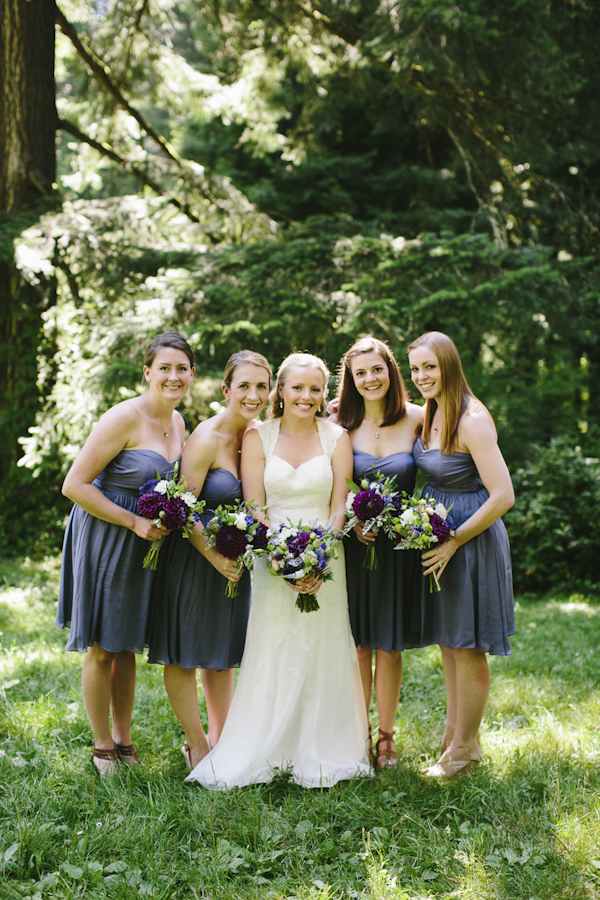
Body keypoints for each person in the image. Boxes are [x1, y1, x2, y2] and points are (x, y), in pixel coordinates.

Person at [186, 352, 371, 789]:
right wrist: (281, 558)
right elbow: (255, 508)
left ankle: (324, 745)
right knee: (275, 647)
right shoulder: (258, 437)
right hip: (272, 559)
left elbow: (340, 507)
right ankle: (264, 746)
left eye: (314, 389)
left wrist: (318, 557)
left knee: (321, 647)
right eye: (297, 388)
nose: (306, 396)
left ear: (323, 394)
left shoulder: (336, 438)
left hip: (327, 559)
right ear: (281, 391)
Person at [56, 332, 196, 774]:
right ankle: (101, 747)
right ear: (148, 372)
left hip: (146, 543)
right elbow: (74, 485)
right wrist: (134, 521)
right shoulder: (124, 417)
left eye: (182, 368)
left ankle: (124, 740)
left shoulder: (179, 423)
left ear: (192, 374)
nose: (173, 376)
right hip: (108, 535)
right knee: (102, 646)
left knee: (127, 642)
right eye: (165, 368)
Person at [146, 351, 272, 770]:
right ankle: (196, 743)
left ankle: (224, 741)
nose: (253, 395)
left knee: (221, 654)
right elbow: (180, 506)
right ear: (226, 390)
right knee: (184, 653)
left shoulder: (257, 436)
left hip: (233, 562)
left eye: (261, 386)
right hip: (195, 559)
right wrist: (214, 556)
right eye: (244, 386)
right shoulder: (207, 437)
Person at [408, 331, 515, 778]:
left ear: (449, 365)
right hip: (441, 539)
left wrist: (455, 540)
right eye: (414, 369)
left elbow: (504, 494)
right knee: (450, 642)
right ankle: (454, 736)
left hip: (470, 539)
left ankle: (466, 750)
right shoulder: (429, 411)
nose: (421, 376)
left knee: (468, 645)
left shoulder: (472, 419)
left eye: (429, 367)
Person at [335, 337, 423, 768]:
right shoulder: (337, 424)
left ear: (391, 372)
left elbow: (467, 418)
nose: (370, 379)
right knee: (357, 646)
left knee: (389, 647)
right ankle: (358, 733)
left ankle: (386, 736)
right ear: (351, 380)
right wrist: (352, 522)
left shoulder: (418, 419)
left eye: (377, 370)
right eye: (361, 373)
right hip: (354, 548)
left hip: (398, 549)